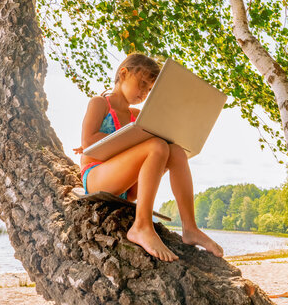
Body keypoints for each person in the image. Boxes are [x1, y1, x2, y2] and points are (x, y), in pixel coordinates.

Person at [73, 53, 223, 262]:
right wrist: (138, 141)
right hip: (97, 176)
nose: (144, 93)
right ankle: (142, 225)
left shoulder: (137, 116)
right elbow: (89, 142)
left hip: (128, 188)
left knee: (176, 150)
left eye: (149, 89)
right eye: (142, 83)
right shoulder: (101, 103)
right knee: (156, 146)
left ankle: (190, 228)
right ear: (123, 73)